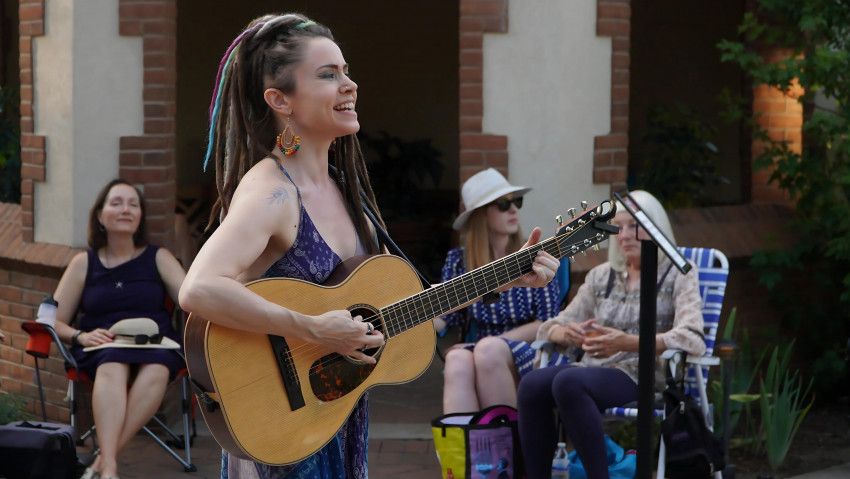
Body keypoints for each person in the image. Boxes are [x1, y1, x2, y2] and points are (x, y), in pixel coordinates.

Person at [177, 13, 560, 479]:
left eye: (346, 71)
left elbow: (411, 313)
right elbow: (198, 289)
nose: (349, 85)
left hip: (333, 413)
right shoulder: (271, 192)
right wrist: (313, 328)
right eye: (327, 75)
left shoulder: (347, 192)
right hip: (280, 421)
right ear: (280, 100)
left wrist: (504, 276)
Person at [516, 190, 705, 479]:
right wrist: (569, 334)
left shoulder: (678, 274)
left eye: (634, 225)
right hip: (593, 370)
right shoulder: (602, 275)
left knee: (568, 381)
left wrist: (629, 343)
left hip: (641, 374)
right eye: (619, 226)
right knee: (531, 384)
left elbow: (692, 337)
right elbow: (550, 326)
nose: (624, 234)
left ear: (655, 226)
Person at [50, 179, 186, 479]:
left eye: (133, 204)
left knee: (158, 368)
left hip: (155, 344)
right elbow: (51, 319)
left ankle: (104, 461)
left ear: (140, 217)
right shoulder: (83, 263)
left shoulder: (158, 257)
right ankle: (109, 464)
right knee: (112, 363)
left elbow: (190, 299)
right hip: (101, 345)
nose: (125, 209)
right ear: (100, 216)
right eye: (116, 203)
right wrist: (80, 336)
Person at [434, 168, 564, 414]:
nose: (514, 209)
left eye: (516, 201)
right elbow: (446, 316)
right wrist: (415, 321)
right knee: (456, 359)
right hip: (480, 349)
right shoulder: (459, 261)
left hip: (531, 350)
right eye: (503, 204)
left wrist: (491, 342)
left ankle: (507, 449)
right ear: (480, 216)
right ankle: (464, 451)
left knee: (488, 351)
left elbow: (546, 321)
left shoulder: (536, 257)